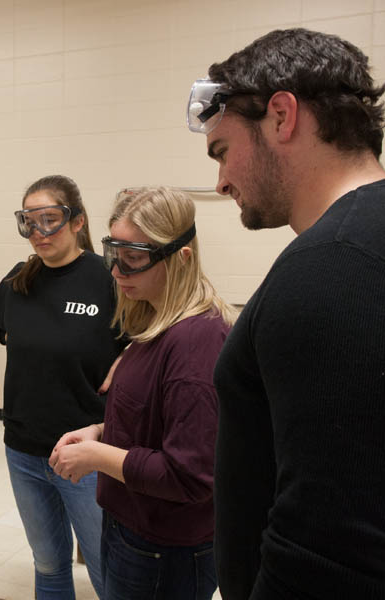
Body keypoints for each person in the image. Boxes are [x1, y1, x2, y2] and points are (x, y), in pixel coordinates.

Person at [188, 28, 385, 599]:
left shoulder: (332, 266)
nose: (221, 181)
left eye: (223, 151)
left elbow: (329, 547)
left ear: (281, 116)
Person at [49, 187, 236, 600]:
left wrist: (96, 457)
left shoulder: (195, 342)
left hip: (163, 549)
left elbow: (189, 475)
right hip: (130, 525)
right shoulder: (154, 321)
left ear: (180, 257)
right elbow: (152, 419)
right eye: (114, 255)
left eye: (133, 260)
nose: (116, 272)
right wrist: (101, 430)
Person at [0, 175, 126, 599]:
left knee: (105, 570)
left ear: (77, 221)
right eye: (29, 222)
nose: (39, 232)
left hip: (86, 450)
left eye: (50, 219)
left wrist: (127, 356)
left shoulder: (109, 278)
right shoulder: (19, 281)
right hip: (24, 449)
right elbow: (3, 331)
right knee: (47, 564)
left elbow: (151, 337)